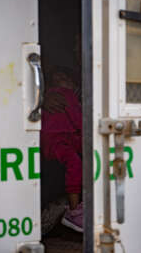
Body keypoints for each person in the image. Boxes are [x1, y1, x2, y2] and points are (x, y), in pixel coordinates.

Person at [41, 67, 83, 232]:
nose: (61, 78)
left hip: (59, 140)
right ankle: (73, 211)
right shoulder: (64, 94)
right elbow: (79, 120)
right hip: (59, 140)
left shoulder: (58, 94)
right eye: (57, 76)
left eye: (65, 76)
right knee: (77, 162)